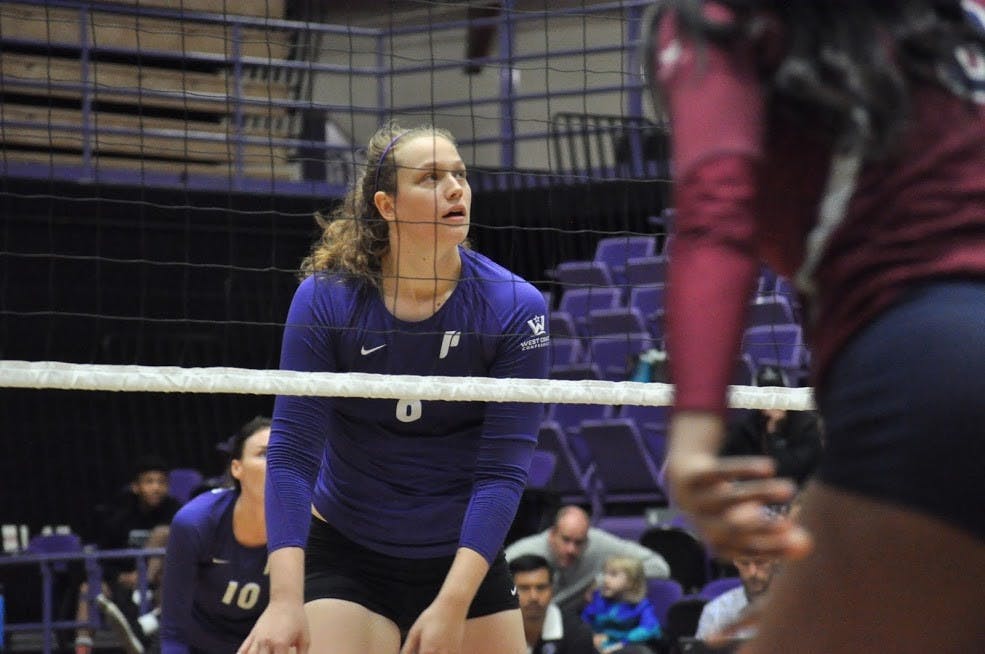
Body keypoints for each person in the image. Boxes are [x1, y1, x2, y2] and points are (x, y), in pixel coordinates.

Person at [645, 1, 985, 652]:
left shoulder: (723, 17)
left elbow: (715, 216)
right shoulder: (954, 20)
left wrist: (691, 443)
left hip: (936, 356)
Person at [238, 123, 550, 654]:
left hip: (461, 556)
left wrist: (452, 605)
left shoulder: (515, 307)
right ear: (386, 205)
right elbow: (291, 455)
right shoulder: (326, 300)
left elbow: (502, 474)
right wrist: (284, 599)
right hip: (348, 550)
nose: (455, 188)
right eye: (431, 178)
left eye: (460, 174)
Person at [160, 417, 272, 653]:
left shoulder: (309, 525)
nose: (276, 462)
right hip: (201, 645)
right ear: (236, 468)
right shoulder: (194, 523)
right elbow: (173, 633)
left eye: (284, 453)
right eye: (263, 454)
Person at [73, 455, 180, 654]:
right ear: (136, 487)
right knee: (89, 588)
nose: (156, 488)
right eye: (149, 482)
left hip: (158, 582)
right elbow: (104, 557)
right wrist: (120, 577)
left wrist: (146, 578)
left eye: (161, 482)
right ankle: (82, 648)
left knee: (163, 535)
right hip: (124, 580)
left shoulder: (176, 511)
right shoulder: (120, 517)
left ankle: (156, 632)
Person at [506, 506, 670, 614]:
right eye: (566, 540)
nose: (571, 549)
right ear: (552, 535)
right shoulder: (520, 554)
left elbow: (658, 566)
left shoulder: (597, 544)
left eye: (579, 542)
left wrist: (604, 580)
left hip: (573, 627)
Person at [722, 366, 823, 485]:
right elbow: (723, 459)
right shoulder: (747, 426)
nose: (773, 402)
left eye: (777, 395)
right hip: (753, 493)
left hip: (796, 491)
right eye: (767, 397)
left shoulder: (806, 425)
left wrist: (773, 432)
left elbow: (791, 470)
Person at [509, 554, 595, 654]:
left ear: (552, 590)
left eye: (541, 587)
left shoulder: (577, 633)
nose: (534, 597)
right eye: (524, 588)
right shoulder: (494, 628)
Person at [581, 556, 662, 654]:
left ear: (631, 582)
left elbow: (651, 628)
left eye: (613, 575)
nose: (606, 580)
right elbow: (584, 621)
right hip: (597, 644)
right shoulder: (598, 598)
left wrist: (624, 642)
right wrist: (592, 636)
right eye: (605, 574)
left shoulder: (641, 605)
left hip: (625, 645)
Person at [694, 556, 777, 642]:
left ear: (775, 561)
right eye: (745, 563)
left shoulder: (791, 609)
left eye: (760, 563)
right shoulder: (715, 611)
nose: (752, 573)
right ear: (736, 562)